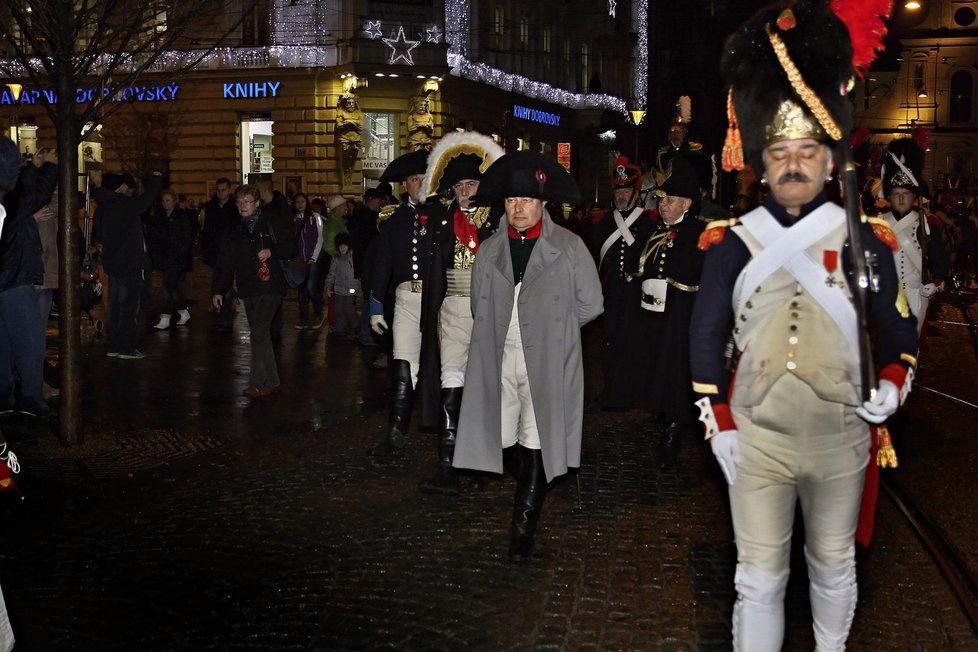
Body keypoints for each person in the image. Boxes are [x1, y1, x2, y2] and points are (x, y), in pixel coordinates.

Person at [690, 4, 920, 649]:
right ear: (763, 164)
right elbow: (706, 337)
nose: (793, 164)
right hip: (757, 438)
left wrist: (896, 381)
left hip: (840, 436)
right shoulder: (731, 244)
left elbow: (898, 331)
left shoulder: (865, 241)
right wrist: (717, 417)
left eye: (807, 152)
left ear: (828, 160)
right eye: (780, 153)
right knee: (757, 579)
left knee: (833, 567)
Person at [452, 151, 603, 560]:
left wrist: (556, 332)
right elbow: (477, 306)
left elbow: (590, 304)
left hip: (547, 362)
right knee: (498, 440)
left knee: (535, 441)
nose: (519, 208)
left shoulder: (570, 248)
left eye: (528, 201)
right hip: (499, 357)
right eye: (512, 201)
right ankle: (540, 478)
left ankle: (522, 530)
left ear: (542, 203)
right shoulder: (488, 250)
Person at [415, 131, 505, 494]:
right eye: (460, 185)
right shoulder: (440, 219)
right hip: (451, 308)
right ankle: (448, 464)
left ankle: (483, 464)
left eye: (472, 183)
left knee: (485, 387)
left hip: (488, 309)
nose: (466, 190)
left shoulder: (496, 218)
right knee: (450, 380)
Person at [625, 156, 706, 468]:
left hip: (680, 317)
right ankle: (664, 413)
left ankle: (673, 429)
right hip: (653, 316)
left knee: (674, 372)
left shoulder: (698, 235)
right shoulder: (652, 229)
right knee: (655, 366)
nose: (664, 204)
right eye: (662, 198)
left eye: (671, 200)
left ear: (687, 203)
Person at [366, 149, 440, 456]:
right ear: (405, 185)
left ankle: (450, 437)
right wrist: (374, 306)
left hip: (439, 302)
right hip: (406, 300)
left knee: (445, 369)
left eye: (425, 179)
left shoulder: (444, 216)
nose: (419, 184)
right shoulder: (393, 220)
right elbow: (381, 264)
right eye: (413, 179)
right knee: (403, 365)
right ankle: (395, 435)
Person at [211, 185, 295, 398]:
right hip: (249, 289)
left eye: (247, 202)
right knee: (261, 333)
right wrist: (218, 290)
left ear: (257, 203)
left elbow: (291, 247)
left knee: (258, 330)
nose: (242, 206)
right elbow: (225, 263)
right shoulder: (235, 230)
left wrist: (271, 251)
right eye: (239, 202)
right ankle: (273, 380)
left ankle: (257, 383)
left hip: (271, 286)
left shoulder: (270, 223)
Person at [590, 155, 655, 410]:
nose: (621, 194)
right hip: (612, 294)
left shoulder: (648, 222)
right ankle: (611, 390)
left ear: (636, 191)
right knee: (610, 344)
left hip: (636, 294)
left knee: (635, 345)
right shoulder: (603, 222)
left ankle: (632, 392)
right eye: (618, 189)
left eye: (626, 189)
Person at [0, 138, 57, 416]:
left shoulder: (8, 200)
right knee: (30, 340)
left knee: (4, 340)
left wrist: (34, 168)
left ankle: (5, 396)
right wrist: (50, 168)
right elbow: (36, 195)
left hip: (8, 277)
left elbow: (23, 194)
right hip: (12, 278)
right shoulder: (11, 201)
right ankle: (31, 399)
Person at [879, 138, 950, 335]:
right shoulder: (877, 223)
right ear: (889, 196)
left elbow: (940, 264)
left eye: (906, 193)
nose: (901, 198)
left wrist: (935, 286)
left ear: (915, 197)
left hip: (915, 295)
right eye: (896, 193)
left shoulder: (927, 225)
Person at [93, 170, 163, 359]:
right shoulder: (122, 205)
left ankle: (114, 345)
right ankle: (126, 347)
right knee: (128, 306)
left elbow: (97, 237)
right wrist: (155, 179)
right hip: (129, 262)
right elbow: (147, 199)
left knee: (115, 305)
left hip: (113, 263)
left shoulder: (101, 208)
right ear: (119, 187)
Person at [148, 189, 196, 329]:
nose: (165, 203)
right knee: (174, 287)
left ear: (174, 201)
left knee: (168, 287)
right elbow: (155, 236)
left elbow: (187, 238)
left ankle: (166, 316)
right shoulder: (160, 217)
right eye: (163, 200)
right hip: (165, 257)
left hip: (178, 258)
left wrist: (179, 252)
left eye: (168, 200)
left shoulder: (181, 216)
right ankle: (182, 310)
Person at [201, 178, 238, 326]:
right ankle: (219, 301)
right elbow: (207, 229)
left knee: (226, 278)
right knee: (217, 276)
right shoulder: (210, 206)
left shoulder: (234, 206)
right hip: (214, 249)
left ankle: (225, 307)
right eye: (218, 189)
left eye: (223, 189)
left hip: (229, 249)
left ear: (229, 190)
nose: (220, 192)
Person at [349, 188, 382, 345]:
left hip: (364, 263)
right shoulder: (367, 218)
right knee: (370, 298)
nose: (380, 203)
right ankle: (365, 332)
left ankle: (363, 330)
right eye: (378, 200)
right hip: (369, 264)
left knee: (368, 297)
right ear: (372, 200)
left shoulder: (359, 216)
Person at [293, 193, 325, 330]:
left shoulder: (315, 218)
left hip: (313, 259)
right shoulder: (293, 219)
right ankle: (304, 317)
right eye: (297, 202)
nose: (300, 204)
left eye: (302, 201)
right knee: (302, 289)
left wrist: (314, 256)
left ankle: (319, 311)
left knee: (311, 286)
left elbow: (320, 237)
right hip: (300, 259)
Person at [324, 233, 357, 338]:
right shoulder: (336, 257)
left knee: (348, 308)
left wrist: (354, 289)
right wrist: (328, 286)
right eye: (340, 246)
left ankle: (355, 327)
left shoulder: (353, 257)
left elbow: (356, 275)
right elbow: (331, 273)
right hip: (339, 288)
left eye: (344, 245)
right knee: (338, 309)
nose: (342, 248)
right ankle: (340, 329)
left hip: (351, 289)